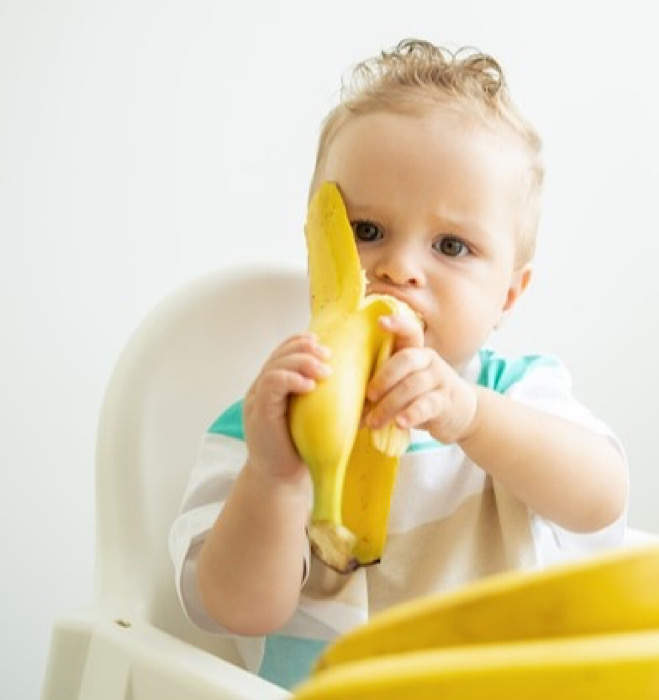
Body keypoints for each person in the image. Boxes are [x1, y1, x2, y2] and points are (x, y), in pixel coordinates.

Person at [169, 38, 629, 689]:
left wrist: (471, 418)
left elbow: (602, 500)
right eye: (366, 231)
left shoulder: (517, 394)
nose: (398, 268)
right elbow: (236, 612)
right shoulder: (268, 426)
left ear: (508, 294)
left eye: (451, 245)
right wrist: (274, 479)